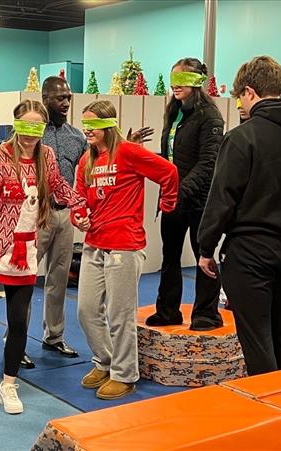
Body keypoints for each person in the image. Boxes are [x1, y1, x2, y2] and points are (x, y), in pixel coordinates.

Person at [0, 99, 88, 428]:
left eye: (37, 128)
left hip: (24, 249)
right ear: (15, 125)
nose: (31, 135)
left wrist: (80, 204)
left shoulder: (46, 156)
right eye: (25, 127)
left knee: (19, 321)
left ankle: (9, 384)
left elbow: (58, 185)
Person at [16, 76, 154, 368]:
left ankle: (54, 336)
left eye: (68, 97)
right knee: (25, 280)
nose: (65, 103)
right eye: (59, 98)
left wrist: (125, 146)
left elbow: (98, 167)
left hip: (66, 215)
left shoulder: (78, 136)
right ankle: (16, 342)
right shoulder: (31, 135)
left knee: (58, 279)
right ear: (45, 98)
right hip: (35, 214)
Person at [198, 56, 281, 376]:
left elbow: (222, 198)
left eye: (239, 97)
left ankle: (270, 415)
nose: (239, 104)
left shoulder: (242, 137)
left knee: (257, 338)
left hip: (249, 250)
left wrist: (205, 247)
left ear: (249, 92)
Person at [76, 100, 178, 399]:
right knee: (86, 310)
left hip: (124, 245)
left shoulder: (129, 152)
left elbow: (169, 173)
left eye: (94, 125)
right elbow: (80, 196)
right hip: (95, 244)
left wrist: (168, 204)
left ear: (109, 124)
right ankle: (105, 361)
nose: (88, 131)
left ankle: (125, 373)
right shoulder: (87, 160)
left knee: (120, 315)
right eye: (85, 125)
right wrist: (78, 216)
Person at [145, 57, 225, 332]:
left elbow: (208, 163)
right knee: (170, 256)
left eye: (182, 81)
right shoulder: (174, 113)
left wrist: (180, 191)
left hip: (200, 201)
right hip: (174, 199)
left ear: (197, 84)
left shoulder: (210, 117)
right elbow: (170, 157)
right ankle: (167, 310)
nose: (175, 86)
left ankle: (206, 313)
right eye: (173, 80)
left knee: (205, 256)